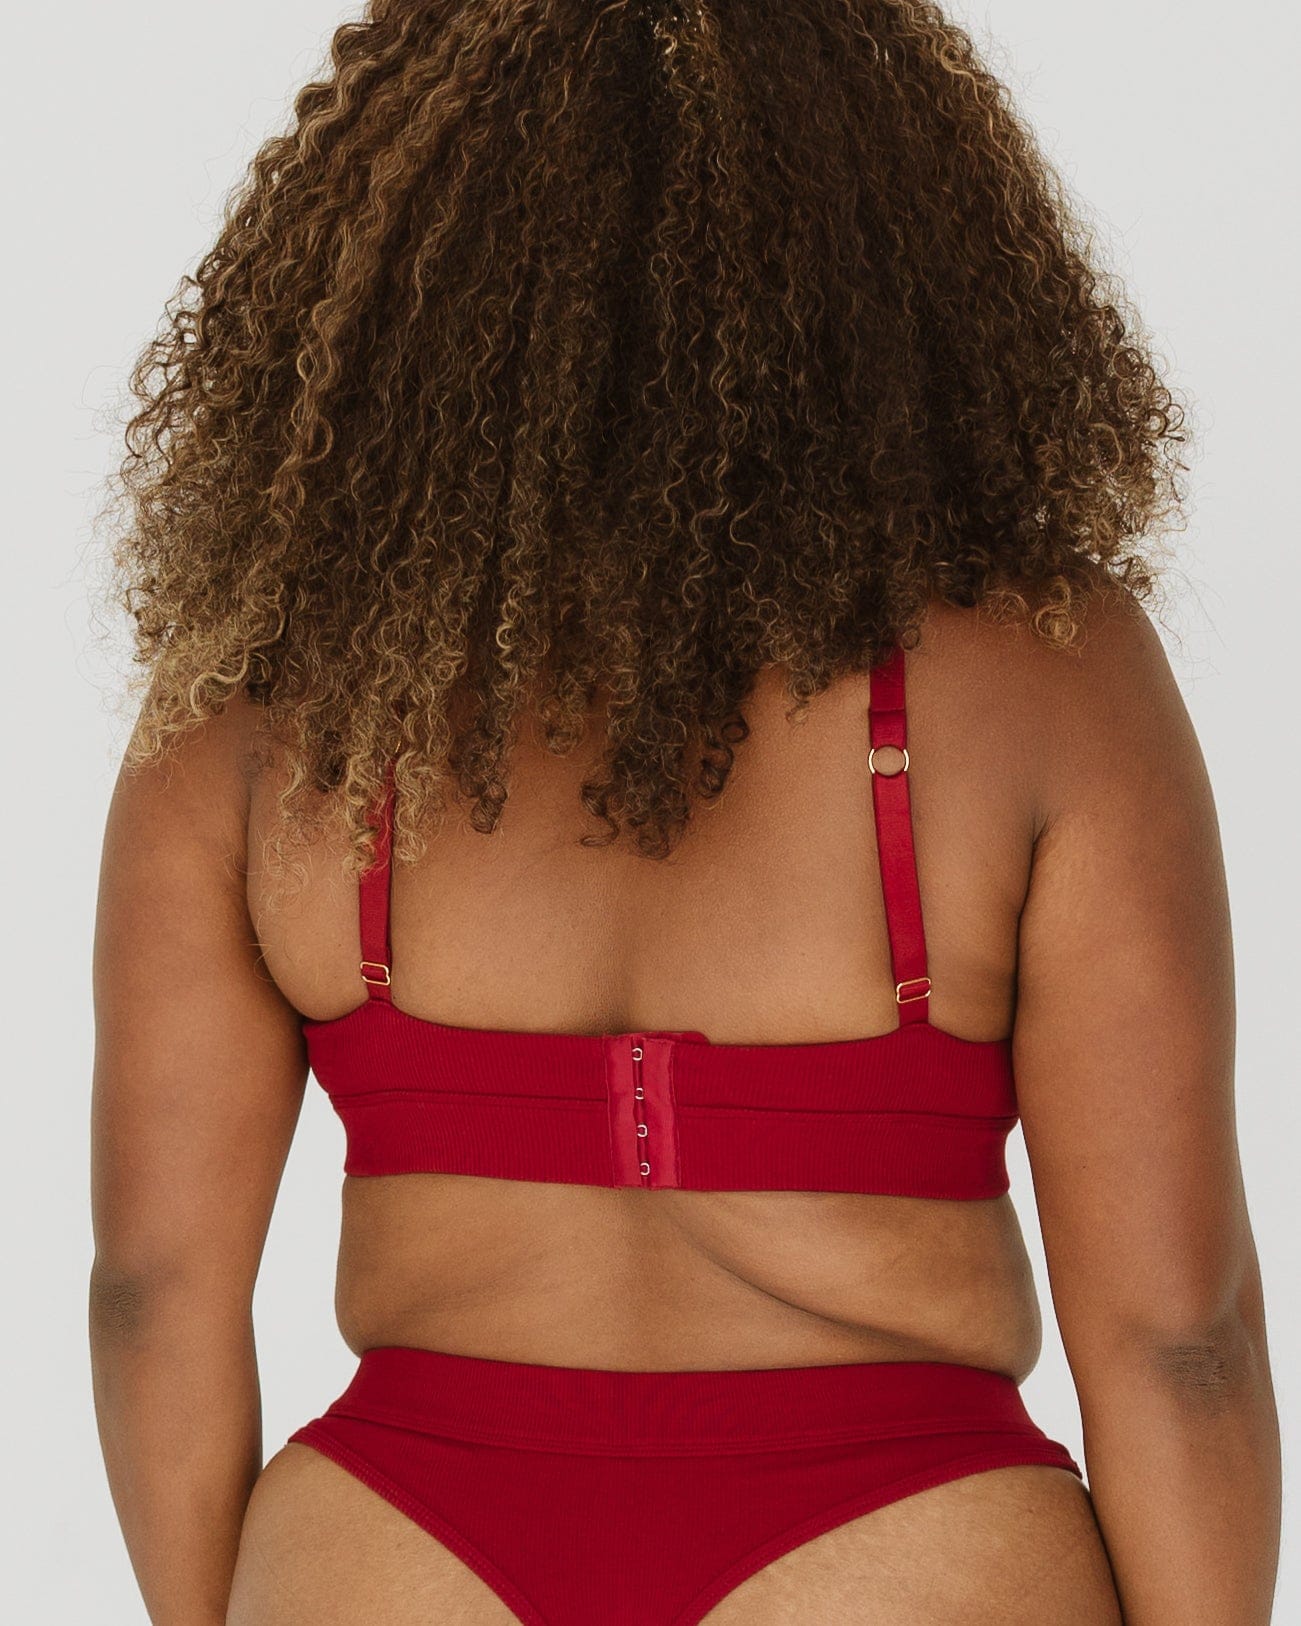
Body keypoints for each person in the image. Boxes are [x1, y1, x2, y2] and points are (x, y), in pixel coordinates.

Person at [88, 1, 1281, 1622]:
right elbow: (1177, 1336)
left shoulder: (259, 709)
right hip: (907, 1548)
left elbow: (153, 1294)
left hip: (396, 1550)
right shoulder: (1044, 676)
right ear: (887, 256)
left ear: (405, 281)